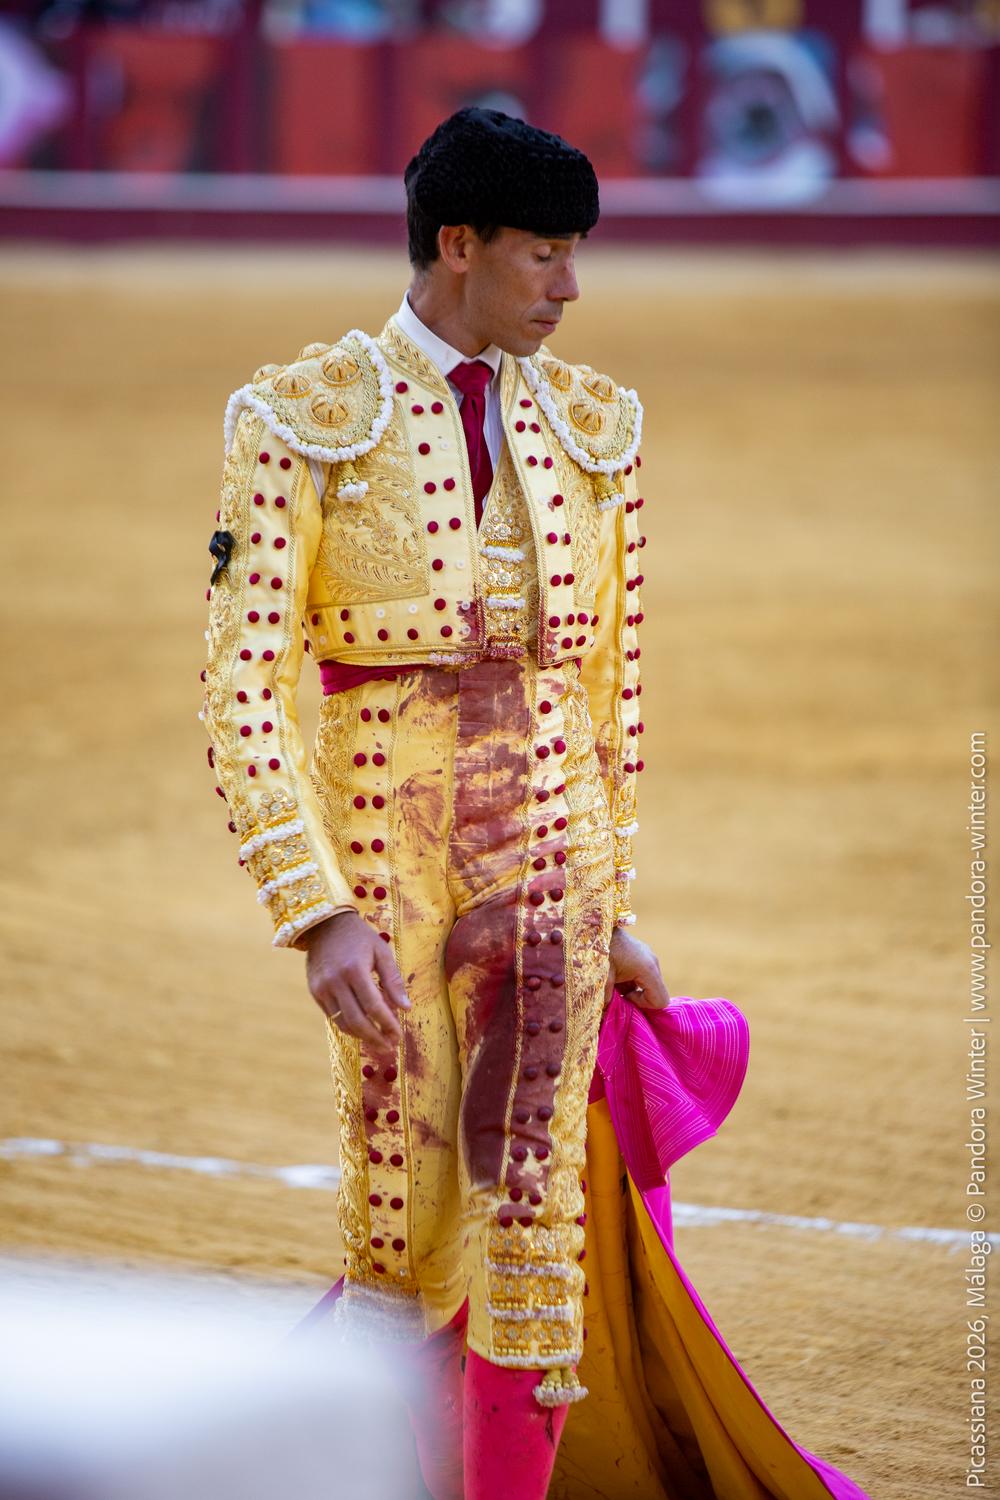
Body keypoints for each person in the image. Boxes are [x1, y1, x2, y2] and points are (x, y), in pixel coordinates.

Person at [203, 108, 871, 1500]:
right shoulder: (301, 417)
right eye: (546, 257)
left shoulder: (595, 425)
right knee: (406, 1219)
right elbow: (244, 685)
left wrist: (613, 908)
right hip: (388, 863)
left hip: (555, 874)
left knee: (531, 1232)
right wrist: (315, 911)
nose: (570, 289)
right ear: (461, 246)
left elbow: (610, 691)